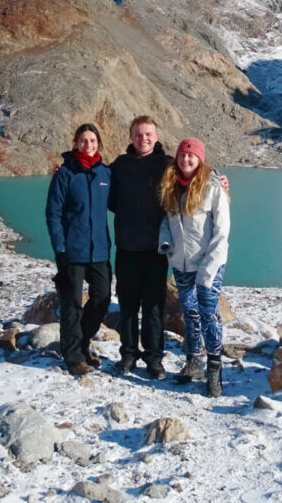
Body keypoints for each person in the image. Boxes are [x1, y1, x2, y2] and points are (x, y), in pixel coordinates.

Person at [158, 137, 230, 397]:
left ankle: (214, 370)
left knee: (208, 313)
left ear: (200, 159)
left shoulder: (213, 187)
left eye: (191, 155)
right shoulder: (171, 186)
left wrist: (208, 270)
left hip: (209, 264)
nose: (186, 159)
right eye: (182, 155)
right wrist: (166, 243)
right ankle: (193, 362)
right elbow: (167, 221)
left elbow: (222, 234)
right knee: (189, 311)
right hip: (181, 263)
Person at [45, 123, 112, 376]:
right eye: (83, 140)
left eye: (92, 141)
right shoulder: (65, 174)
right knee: (71, 302)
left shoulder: (106, 174)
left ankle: (81, 342)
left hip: (100, 250)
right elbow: (53, 213)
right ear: (75, 143)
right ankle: (73, 357)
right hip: (72, 250)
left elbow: (127, 198)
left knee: (103, 297)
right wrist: (60, 248)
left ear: (99, 144)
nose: (88, 145)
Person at [108, 116, 171, 379]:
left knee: (155, 307)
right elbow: (105, 194)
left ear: (156, 137)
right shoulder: (120, 166)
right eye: (138, 134)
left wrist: (220, 182)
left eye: (148, 134)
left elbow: (194, 179)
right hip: (127, 248)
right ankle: (128, 355)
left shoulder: (168, 165)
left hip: (156, 250)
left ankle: (154, 358)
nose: (143, 139)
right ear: (130, 137)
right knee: (128, 305)